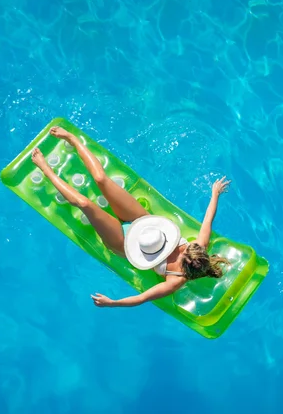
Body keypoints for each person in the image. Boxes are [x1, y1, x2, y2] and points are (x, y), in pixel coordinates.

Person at [32, 127, 231, 309]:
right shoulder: (199, 248)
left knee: (85, 204)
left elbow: (142, 298)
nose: (182, 248)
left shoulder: (174, 282)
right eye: (184, 247)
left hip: (123, 242)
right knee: (102, 180)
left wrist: (112, 302)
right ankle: (72, 139)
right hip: (143, 222)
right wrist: (214, 194)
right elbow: (207, 220)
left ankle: (45, 168)